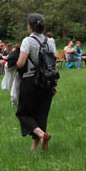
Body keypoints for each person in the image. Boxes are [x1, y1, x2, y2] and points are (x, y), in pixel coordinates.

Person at [15, 13, 57, 152]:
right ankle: (36, 149)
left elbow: (21, 63)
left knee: (23, 113)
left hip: (30, 81)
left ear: (30, 26)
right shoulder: (50, 42)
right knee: (41, 114)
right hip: (47, 81)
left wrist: (14, 62)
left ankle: (41, 134)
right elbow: (53, 64)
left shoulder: (27, 41)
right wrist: (54, 84)